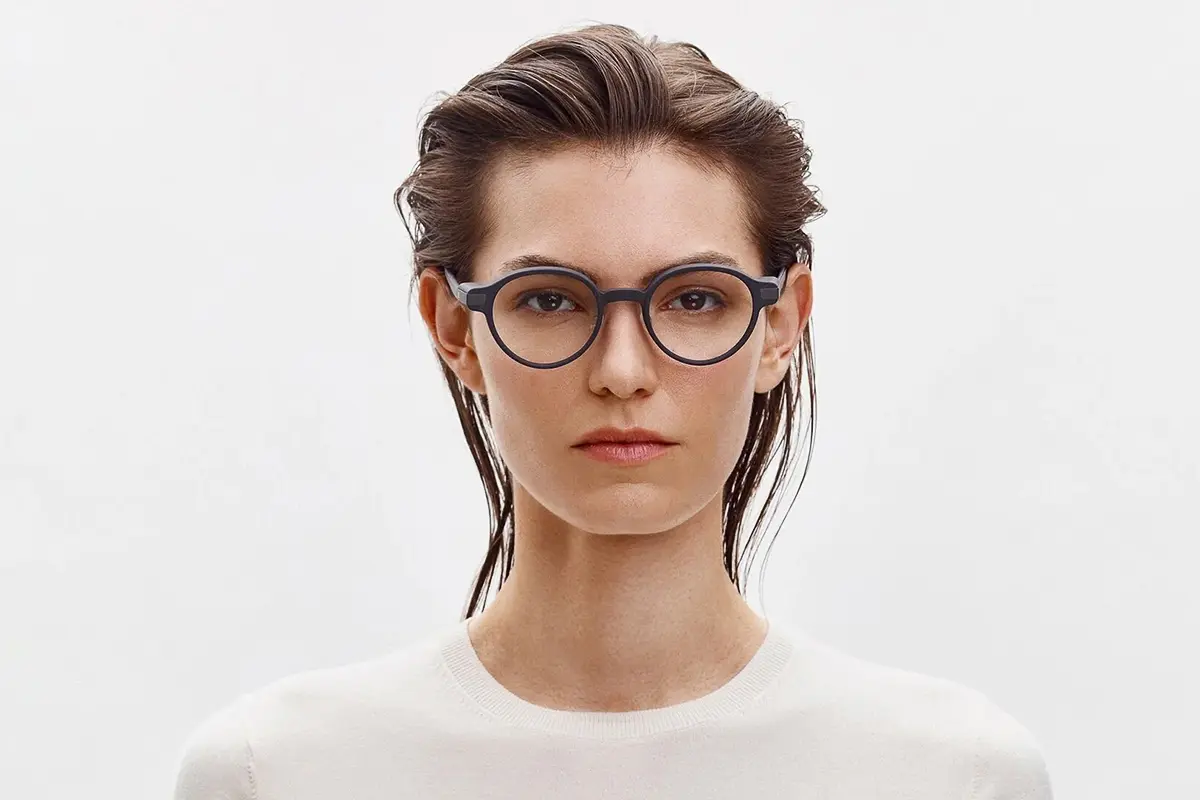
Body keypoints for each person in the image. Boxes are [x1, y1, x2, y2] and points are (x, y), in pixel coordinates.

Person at [172, 23, 1053, 799]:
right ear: (455, 326)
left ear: (779, 326)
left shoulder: (952, 776)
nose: (623, 370)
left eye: (694, 299)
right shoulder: (276, 775)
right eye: (551, 300)